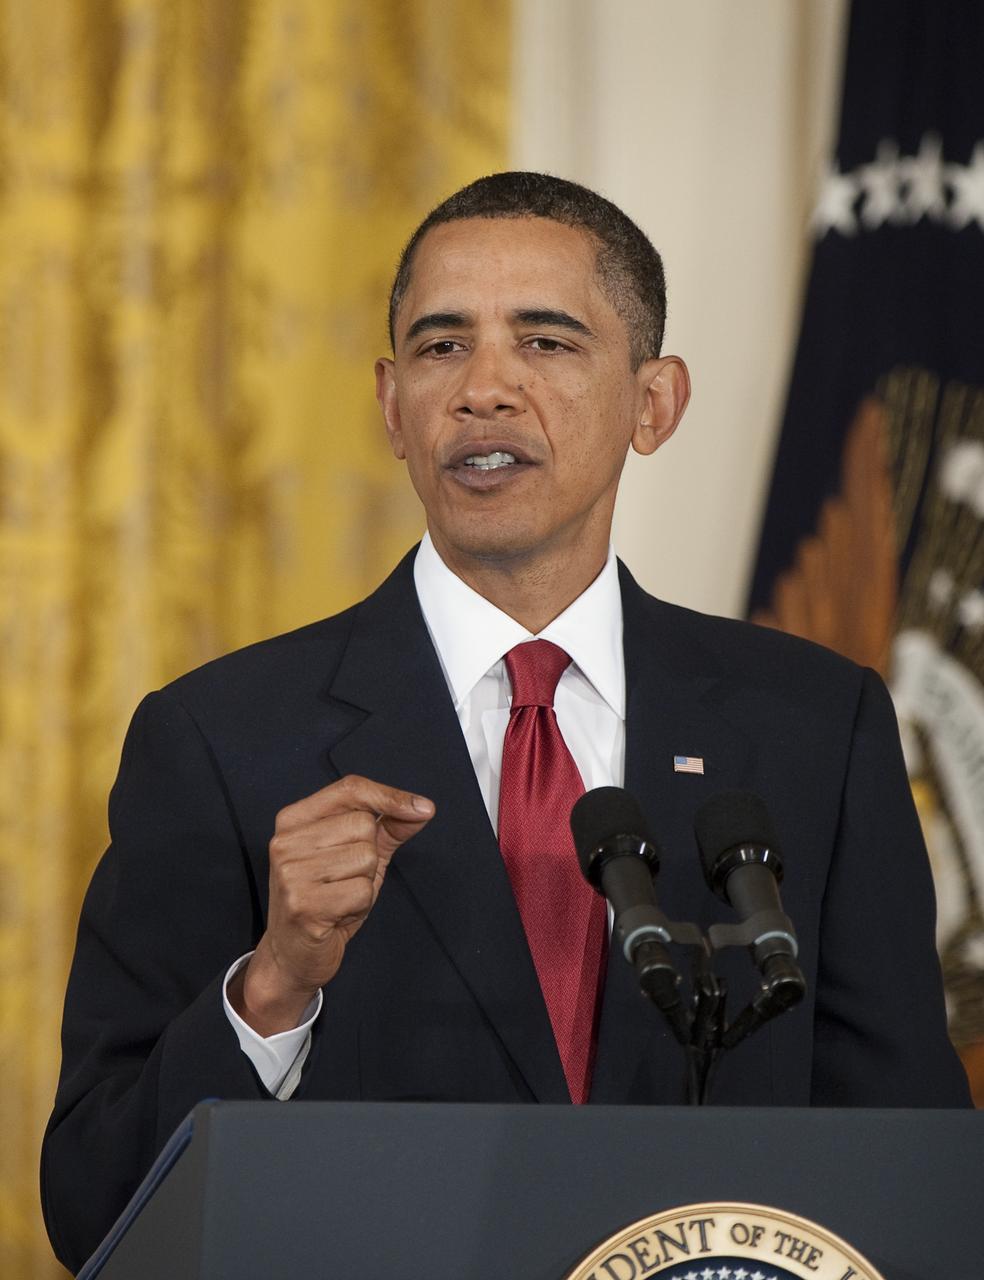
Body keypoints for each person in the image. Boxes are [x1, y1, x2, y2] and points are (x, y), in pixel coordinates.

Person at [41, 172, 971, 1273]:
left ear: (654, 402)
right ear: (392, 408)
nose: (485, 388)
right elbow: (96, 1202)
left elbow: (915, 1169)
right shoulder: (223, 738)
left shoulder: (818, 729)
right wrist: (273, 986)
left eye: (546, 342)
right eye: (441, 347)